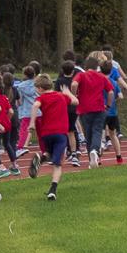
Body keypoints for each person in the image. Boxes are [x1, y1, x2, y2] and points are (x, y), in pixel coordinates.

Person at [31, 71, 76, 199]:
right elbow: (76, 102)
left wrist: (32, 122)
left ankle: (43, 157)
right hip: (61, 133)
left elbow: (35, 105)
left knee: (48, 152)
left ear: (40, 88)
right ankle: (53, 190)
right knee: (57, 164)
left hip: (46, 133)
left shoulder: (41, 98)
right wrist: (68, 93)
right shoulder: (61, 96)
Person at [73, 54, 113, 167]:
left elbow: (74, 84)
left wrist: (74, 95)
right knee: (97, 131)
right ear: (97, 67)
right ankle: (95, 151)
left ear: (86, 66)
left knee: (88, 132)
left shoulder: (81, 75)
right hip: (99, 108)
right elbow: (110, 92)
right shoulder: (101, 77)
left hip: (84, 109)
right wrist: (108, 105)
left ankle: (92, 155)